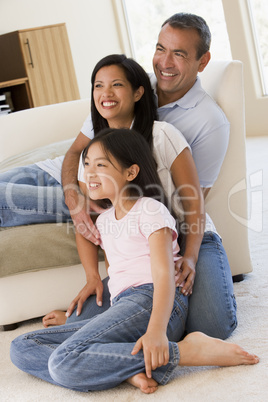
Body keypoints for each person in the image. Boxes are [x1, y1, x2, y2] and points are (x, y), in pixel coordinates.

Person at [2, 13, 235, 339]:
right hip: (132, 226)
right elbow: (83, 174)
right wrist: (94, 269)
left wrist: (190, 257)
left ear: (202, 60)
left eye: (180, 53)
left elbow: (193, 204)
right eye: (160, 48)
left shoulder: (176, 131)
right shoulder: (120, 100)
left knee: (212, 326)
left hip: (177, 228)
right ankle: (88, 322)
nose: (165, 62)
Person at [10, 128, 259, 395]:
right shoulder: (104, 220)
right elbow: (85, 234)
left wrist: (156, 331)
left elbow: (163, 275)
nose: (90, 173)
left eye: (101, 165)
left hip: (153, 304)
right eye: (86, 164)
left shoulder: (149, 209)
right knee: (22, 347)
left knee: (63, 362)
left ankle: (184, 352)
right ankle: (128, 370)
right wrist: (76, 320)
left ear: (130, 172)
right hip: (124, 307)